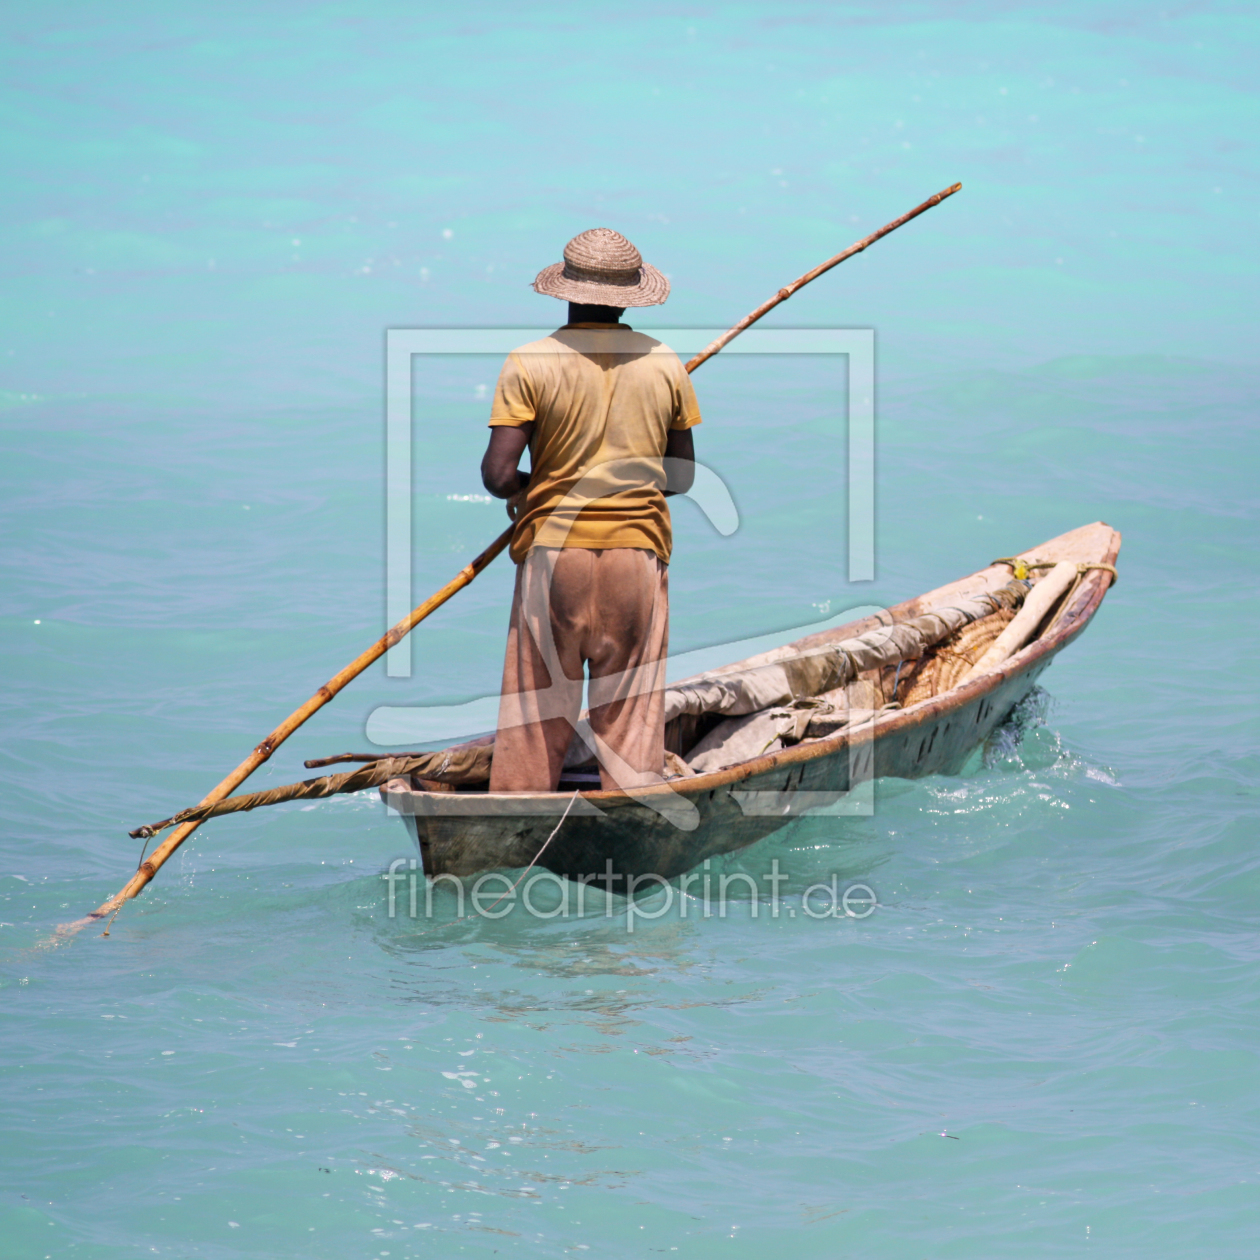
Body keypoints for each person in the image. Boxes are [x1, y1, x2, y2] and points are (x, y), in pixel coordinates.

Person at [479, 228, 701, 793]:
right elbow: (680, 478)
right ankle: (629, 829)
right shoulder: (664, 362)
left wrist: (539, 485)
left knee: (535, 721)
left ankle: (515, 828)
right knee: (629, 721)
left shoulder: (530, 362)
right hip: (635, 557)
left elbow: (499, 476)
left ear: (566, 292)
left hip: (555, 561)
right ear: (629, 297)